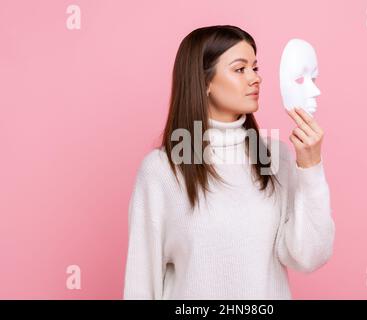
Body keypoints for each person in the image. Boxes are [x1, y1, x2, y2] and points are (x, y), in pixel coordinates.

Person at [123, 25, 335, 300]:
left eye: (255, 68)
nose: (255, 79)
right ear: (205, 82)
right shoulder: (162, 170)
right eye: (240, 69)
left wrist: (310, 167)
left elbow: (309, 257)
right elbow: (142, 281)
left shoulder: (274, 157)